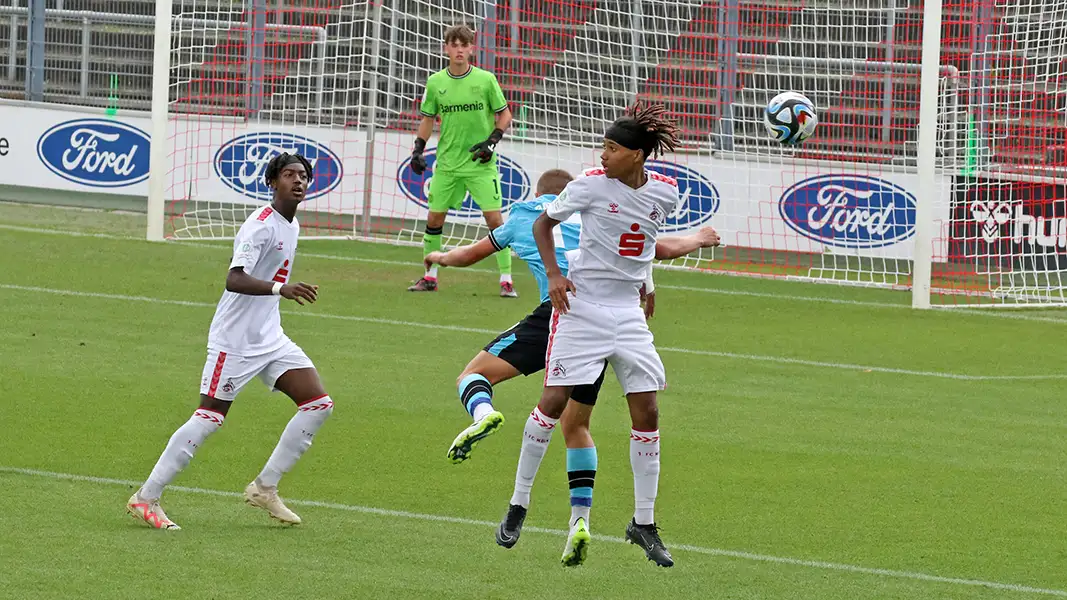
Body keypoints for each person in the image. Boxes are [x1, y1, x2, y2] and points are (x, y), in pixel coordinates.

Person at [424, 166, 719, 555]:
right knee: (577, 425)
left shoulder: (525, 215)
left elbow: (470, 254)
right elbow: (648, 246)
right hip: (609, 313)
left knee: (475, 375)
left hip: (561, 314)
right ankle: (580, 520)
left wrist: (440, 257)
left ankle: (483, 418)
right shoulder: (600, 209)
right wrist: (657, 278)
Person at [126, 153, 334, 530]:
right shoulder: (261, 226)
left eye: (303, 175)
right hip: (234, 341)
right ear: (273, 182)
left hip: (269, 337)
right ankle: (146, 497)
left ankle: (265, 488)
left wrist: (278, 294)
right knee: (209, 418)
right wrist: (280, 289)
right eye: (289, 175)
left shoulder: (292, 223)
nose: (298, 181)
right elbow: (233, 279)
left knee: (318, 404)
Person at [528, 102, 682, 567]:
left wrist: (648, 282)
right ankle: (524, 504)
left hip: (627, 314)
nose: (603, 154)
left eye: (612, 148)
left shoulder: (667, 194)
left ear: (636, 155)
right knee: (560, 409)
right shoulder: (591, 186)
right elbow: (545, 224)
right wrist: (554, 274)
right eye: (603, 146)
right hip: (582, 309)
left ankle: (643, 523)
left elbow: (645, 236)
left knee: (648, 410)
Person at [407, 23, 517, 297]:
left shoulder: (485, 80)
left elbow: (505, 116)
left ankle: (506, 279)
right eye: (454, 45)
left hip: (480, 164)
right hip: (447, 164)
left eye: (464, 45)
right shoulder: (436, 83)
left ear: (471, 49)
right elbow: (428, 119)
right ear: (446, 48)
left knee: (494, 220)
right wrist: (418, 149)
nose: (459, 50)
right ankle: (430, 276)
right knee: (434, 218)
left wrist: (491, 141)